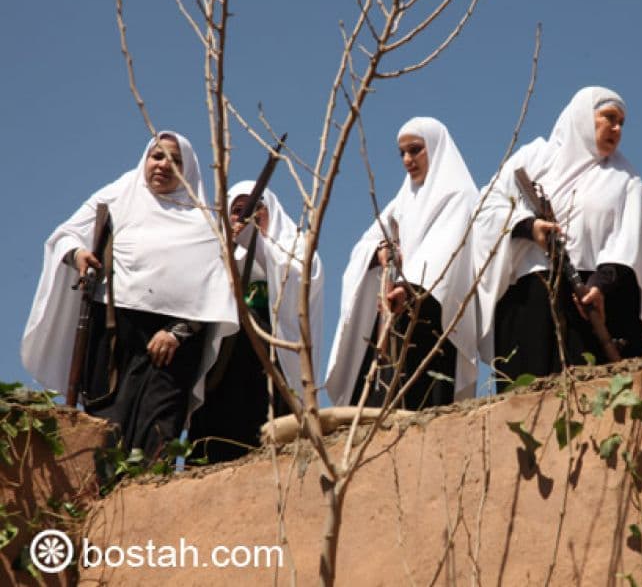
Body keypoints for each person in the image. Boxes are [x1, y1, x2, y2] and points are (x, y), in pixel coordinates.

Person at [21, 132, 238, 461]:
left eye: (175, 160)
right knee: (106, 422)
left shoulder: (205, 221)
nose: (163, 165)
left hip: (172, 343)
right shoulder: (119, 195)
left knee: (158, 427)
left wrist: (176, 333)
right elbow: (66, 234)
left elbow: (216, 291)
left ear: (189, 170)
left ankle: (149, 489)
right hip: (113, 331)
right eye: (157, 156)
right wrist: (78, 254)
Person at [474, 87, 642, 382]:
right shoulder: (535, 157)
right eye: (609, 118)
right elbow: (486, 207)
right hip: (530, 296)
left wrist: (600, 285)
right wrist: (529, 227)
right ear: (584, 116)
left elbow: (629, 242)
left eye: (621, 123)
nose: (617, 129)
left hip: (587, 299)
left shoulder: (625, 178)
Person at [324, 117, 479, 410]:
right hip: (398, 306)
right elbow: (368, 241)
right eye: (402, 153)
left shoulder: (460, 194)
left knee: (425, 395)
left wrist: (409, 288)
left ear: (434, 146)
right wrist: (381, 251)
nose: (408, 160)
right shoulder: (404, 198)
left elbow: (444, 252)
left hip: (434, 309)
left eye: (415, 150)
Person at [188, 182, 324, 462]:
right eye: (237, 211)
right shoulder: (216, 250)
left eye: (253, 209)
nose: (245, 217)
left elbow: (300, 278)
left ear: (269, 211)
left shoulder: (292, 244)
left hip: (273, 353)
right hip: (225, 357)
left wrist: (256, 243)